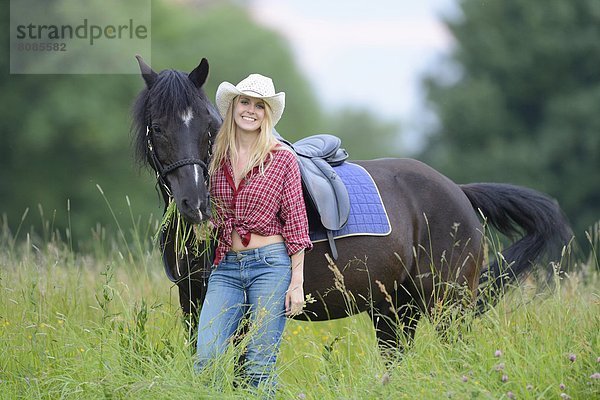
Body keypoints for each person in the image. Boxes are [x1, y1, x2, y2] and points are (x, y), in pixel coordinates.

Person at [194, 73, 312, 392]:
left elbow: (297, 224)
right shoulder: (215, 158)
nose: (250, 110)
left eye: (259, 106)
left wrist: (297, 283)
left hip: (270, 266)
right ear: (232, 107)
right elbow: (209, 211)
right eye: (244, 102)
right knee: (207, 357)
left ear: (266, 113)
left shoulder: (282, 158)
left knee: (259, 365)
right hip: (226, 268)